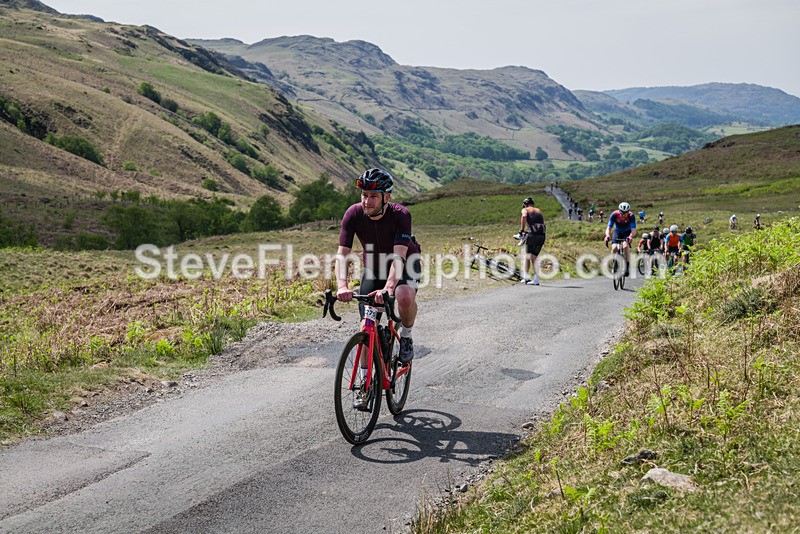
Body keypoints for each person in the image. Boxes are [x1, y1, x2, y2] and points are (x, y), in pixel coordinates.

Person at [336, 169, 421, 407]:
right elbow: (342, 255)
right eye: (364, 195)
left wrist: (389, 288)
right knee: (367, 326)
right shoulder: (353, 214)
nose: (367, 201)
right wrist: (342, 285)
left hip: (404, 264)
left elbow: (399, 257)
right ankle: (365, 387)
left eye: (374, 196)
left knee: (404, 296)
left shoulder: (401, 214)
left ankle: (406, 337)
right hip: (373, 269)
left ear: (387, 197)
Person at [604, 202, 637, 276]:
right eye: (622, 213)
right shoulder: (614, 214)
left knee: (625, 246)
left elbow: (633, 229)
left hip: (627, 232)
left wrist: (631, 236)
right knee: (614, 247)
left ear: (628, 212)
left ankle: (626, 267)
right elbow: (609, 228)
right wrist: (607, 235)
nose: (624, 215)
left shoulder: (631, 216)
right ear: (619, 211)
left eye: (626, 213)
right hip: (617, 231)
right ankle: (614, 263)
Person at [519, 197, 546, 285]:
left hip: (533, 235)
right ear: (533, 204)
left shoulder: (525, 209)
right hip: (542, 235)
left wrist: (522, 230)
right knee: (534, 257)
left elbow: (524, 216)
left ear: (525, 204)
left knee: (527, 256)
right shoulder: (538, 210)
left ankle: (526, 277)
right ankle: (536, 279)